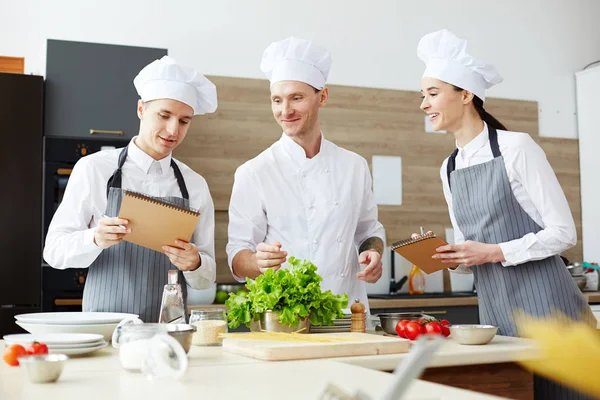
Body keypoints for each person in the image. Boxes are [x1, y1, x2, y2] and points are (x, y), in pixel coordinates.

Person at [417, 29, 594, 399]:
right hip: (496, 314)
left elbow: (564, 232)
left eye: (432, 94)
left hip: (550, 308)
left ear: (465, 95)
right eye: (423, 95)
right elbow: (474, 252)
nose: (424, 104)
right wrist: (453, 258)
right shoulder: (448, 167)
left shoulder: (516, 148)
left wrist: (494, 252)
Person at [43, 56, 218, 322]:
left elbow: (207, 278)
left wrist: (194, 263)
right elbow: (53, 251)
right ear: (140, 109)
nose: (173, 130)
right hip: (105, 328)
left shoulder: (195, 184)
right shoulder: (94, 169)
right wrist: (95, 239)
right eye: (164, 115)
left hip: (168, 332)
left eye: (184, 121)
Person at [226, 37, 385, 311]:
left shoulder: (354, 166)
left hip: (348, 314)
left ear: (322, 97)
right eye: (277, 100)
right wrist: (256, 262)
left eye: (296, 98)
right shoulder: (254, 172)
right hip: (286, 318)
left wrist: (373, 253)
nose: (285, 111)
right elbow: (237, 254)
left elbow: (368, 230)